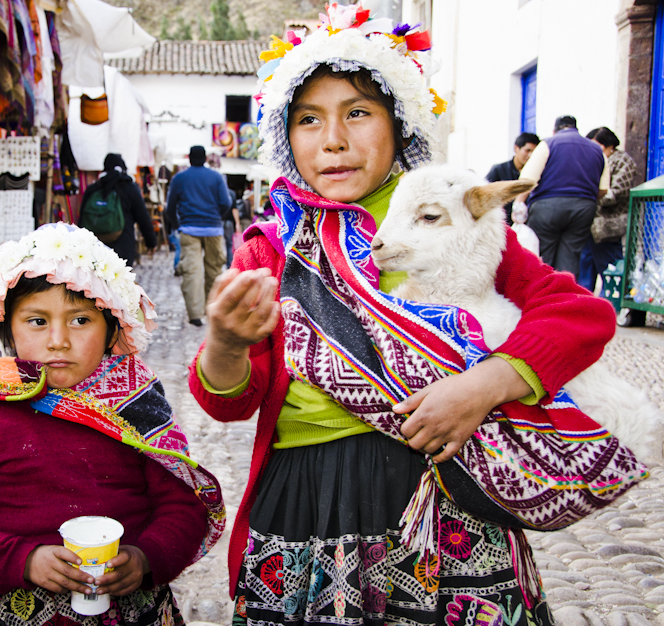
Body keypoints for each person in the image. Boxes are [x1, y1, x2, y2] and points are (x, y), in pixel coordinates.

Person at [189, 6, 616, 626]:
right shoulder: (270, 247)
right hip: (308, 505)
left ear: (400, 124)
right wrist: (226, 344)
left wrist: (482, 386)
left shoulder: (452, 215)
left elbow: (579, 314)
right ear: (287, 136)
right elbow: (232, 399)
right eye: (309, 119)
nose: (332, 140)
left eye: (357, 113)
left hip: (442, 493)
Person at [0, 223, 224, 625]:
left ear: (113, 328)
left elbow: (182, 507)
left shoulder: (135, 407)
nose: (58, 340)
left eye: (80, 321)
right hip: (14, 610)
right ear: (8, 328)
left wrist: (145, 558)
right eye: (37, 321)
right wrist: (23, 560)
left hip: (128, 610)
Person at [516, 115, 609, 278]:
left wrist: (519, 203)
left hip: (547, 208)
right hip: (583, 209)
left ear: (555, 130)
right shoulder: (596, 150)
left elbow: (528, 179)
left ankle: (541, 297)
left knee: (542, 258)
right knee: (570, 259)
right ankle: (564, 298)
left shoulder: (548, 144)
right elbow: (603, 189)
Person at [166, 145, 233, 326]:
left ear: (189, 159)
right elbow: (226, 203)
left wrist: (178, 225)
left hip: (189, 229)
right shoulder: (216, 177)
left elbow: (170, 208)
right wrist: (217, 218)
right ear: (205, 159)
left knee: (192, 272)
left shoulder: (179, 178)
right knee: (214, 269)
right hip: (213, 230)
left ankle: (195, 315)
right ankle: (211, 309)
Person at [578, 127, 639, 291]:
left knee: (610, 271)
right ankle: (584, 307)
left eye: (598, 146)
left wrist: (591, 197)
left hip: (607, 227)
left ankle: (611, 308)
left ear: (609, 145)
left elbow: (617, 192)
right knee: (585, 271)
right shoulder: (594, 160)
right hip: (588, 224)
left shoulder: (623, 161)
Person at [79, 153, 157, 267]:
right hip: (123, 247)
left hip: (95, 248)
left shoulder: (93, 188)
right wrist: (151, 242)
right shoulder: (130, 188)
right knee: (120, 281)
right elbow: (143, 218)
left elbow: (82, 218)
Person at [486, 132, 540, 225]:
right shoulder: (499, 170)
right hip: (503, 225)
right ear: (516, 148)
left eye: (534, 152)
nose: (530, 155)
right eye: (527, 150)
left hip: (529, 226)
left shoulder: (538, 174)